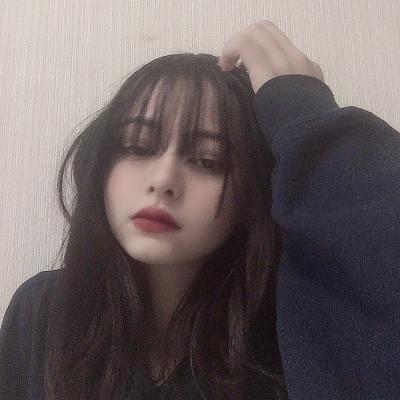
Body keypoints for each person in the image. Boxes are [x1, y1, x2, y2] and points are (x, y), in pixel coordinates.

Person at [0, 19, 399, 399]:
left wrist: (303, 110)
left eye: (208, 160)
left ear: (250, 193)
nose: (163, 180)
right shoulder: (42, 312)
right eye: (137, 147)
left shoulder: (291, 335)